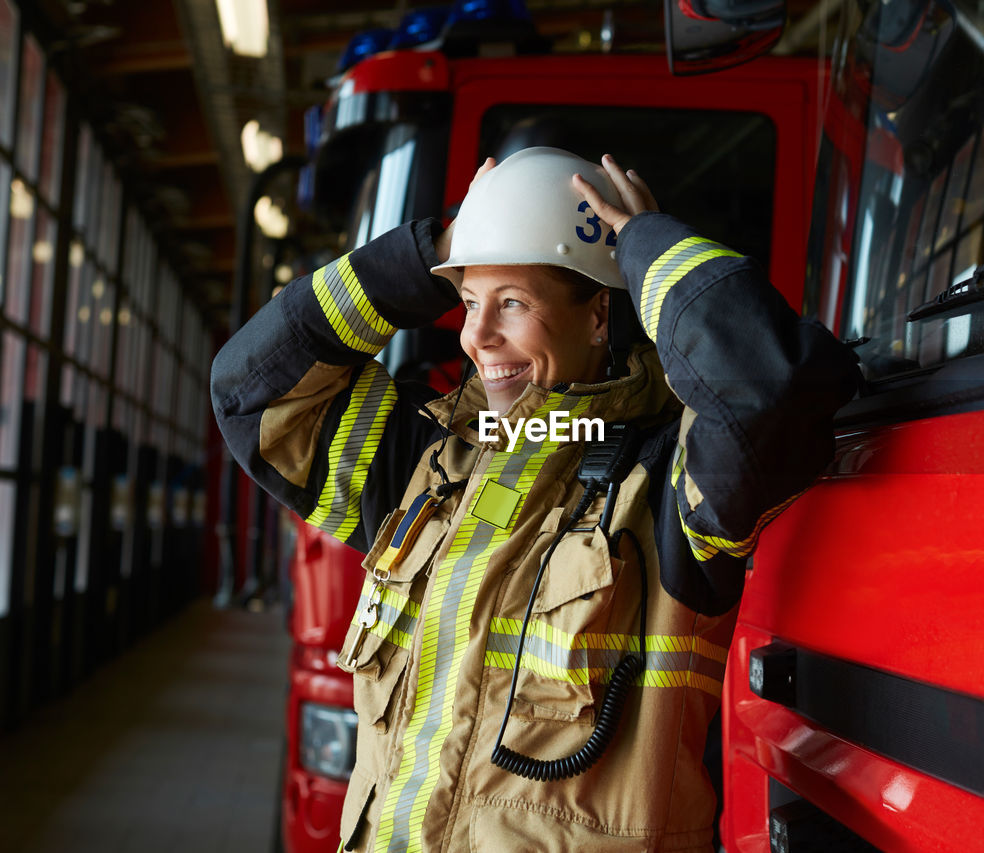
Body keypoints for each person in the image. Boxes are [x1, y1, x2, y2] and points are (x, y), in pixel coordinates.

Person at [211, 147, 858, 852]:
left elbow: (769, 388)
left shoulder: (669, 478)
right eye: (467, 301)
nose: (476, 336)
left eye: (512, 302)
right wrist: (436, 249)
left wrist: (645, 246)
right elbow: (251, 393)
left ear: (599, 313)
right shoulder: (428, 465)